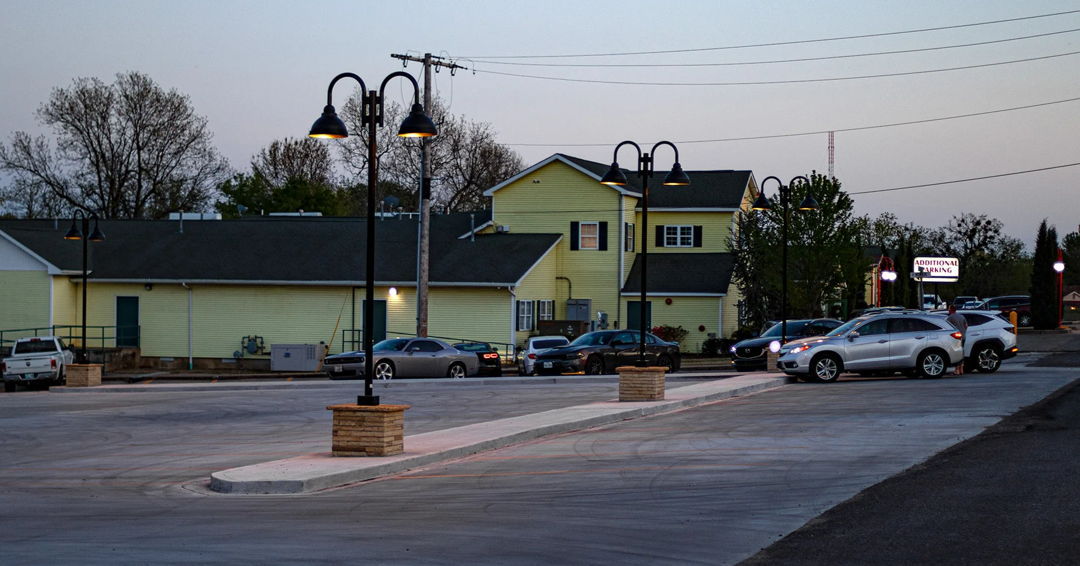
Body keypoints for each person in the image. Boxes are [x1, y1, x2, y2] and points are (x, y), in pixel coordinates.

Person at [945, 305, 968, 375]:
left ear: (951, 309)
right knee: (962, 352)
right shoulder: (962, 316)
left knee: (957, 353)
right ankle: (961, 369)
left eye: (949, 309)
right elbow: (966, 326)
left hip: (955, 338)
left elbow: (946, 326)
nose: (948, 311)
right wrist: (963, 332)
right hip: (963, 337)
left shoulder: (950, 317)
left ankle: (957, 370)